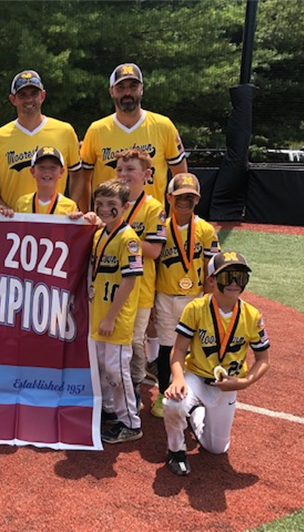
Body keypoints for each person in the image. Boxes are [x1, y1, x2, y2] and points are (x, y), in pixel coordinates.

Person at [163, 251, 271, 475]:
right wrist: (178, 378)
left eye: (240, 276)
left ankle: (195, 415)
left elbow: (263, 360)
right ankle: (176, 450)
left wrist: (244, 382)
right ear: (211, 280)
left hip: (227, 385)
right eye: (227, 276)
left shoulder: (252, 316)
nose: (234, 282)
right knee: (173, 404)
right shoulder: (196, 308)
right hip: (196, 376)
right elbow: (179, 350)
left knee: (216, 448)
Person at [151, 173, 219, 417]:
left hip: (195, 298)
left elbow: (211, 270)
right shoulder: (161, 228)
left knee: (193, 350)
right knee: (166, 346)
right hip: (165, 295)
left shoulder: (206, 230)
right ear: (169, 197)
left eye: (190, 197)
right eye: (179, 196)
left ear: (198, 200)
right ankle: (162, 393)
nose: (184, 201)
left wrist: (207, 302)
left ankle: (191, 395)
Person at [78, 62, 187, 210]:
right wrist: (86, 214)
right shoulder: (97, 130)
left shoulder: (163, 126)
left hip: (151, 220)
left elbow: (180, 178)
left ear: (142, 89)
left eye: (133, 87)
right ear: (111, 91)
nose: (127, 93)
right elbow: (83, 180)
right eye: (120, 88)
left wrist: (175, 220)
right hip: (108, 220)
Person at [88, 179, 144, 444]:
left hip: (115, 319)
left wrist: (111, 317)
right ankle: (110, 410)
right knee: (101, 367)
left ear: (125, 206)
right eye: (100, 203)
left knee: (116, 371)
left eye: (112, 204)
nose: (104, 209)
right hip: (98, 315)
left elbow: (130, 280)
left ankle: (131, 423)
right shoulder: (100, 234)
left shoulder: (129, 238)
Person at [112, 149, 166, 404]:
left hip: (140, 290)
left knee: (134, 342)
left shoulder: (154, 208)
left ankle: (133, 391)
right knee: (113, 341)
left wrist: (120, 234)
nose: (123, 174)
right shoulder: (110, 202)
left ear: (146, 174)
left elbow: (154, 251)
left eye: (130, 169)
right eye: (120, 169)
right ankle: (115, 390)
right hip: (111, 287)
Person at [0, 70, 83, 209]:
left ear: (42, 96)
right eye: (22, 95)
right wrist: (3, 207)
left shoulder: (65, 131)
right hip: (14, 222)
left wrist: (69, 207)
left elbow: (78, 175)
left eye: (34, 94)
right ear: (13, 99)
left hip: (53, 220)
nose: (29, 100)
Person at [13, 146, 81, 216]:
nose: (47, 172)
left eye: (53, 168)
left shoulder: (69, 206)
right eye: (42, 167)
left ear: (61, 172)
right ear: (33, 171)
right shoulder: (22, 203)